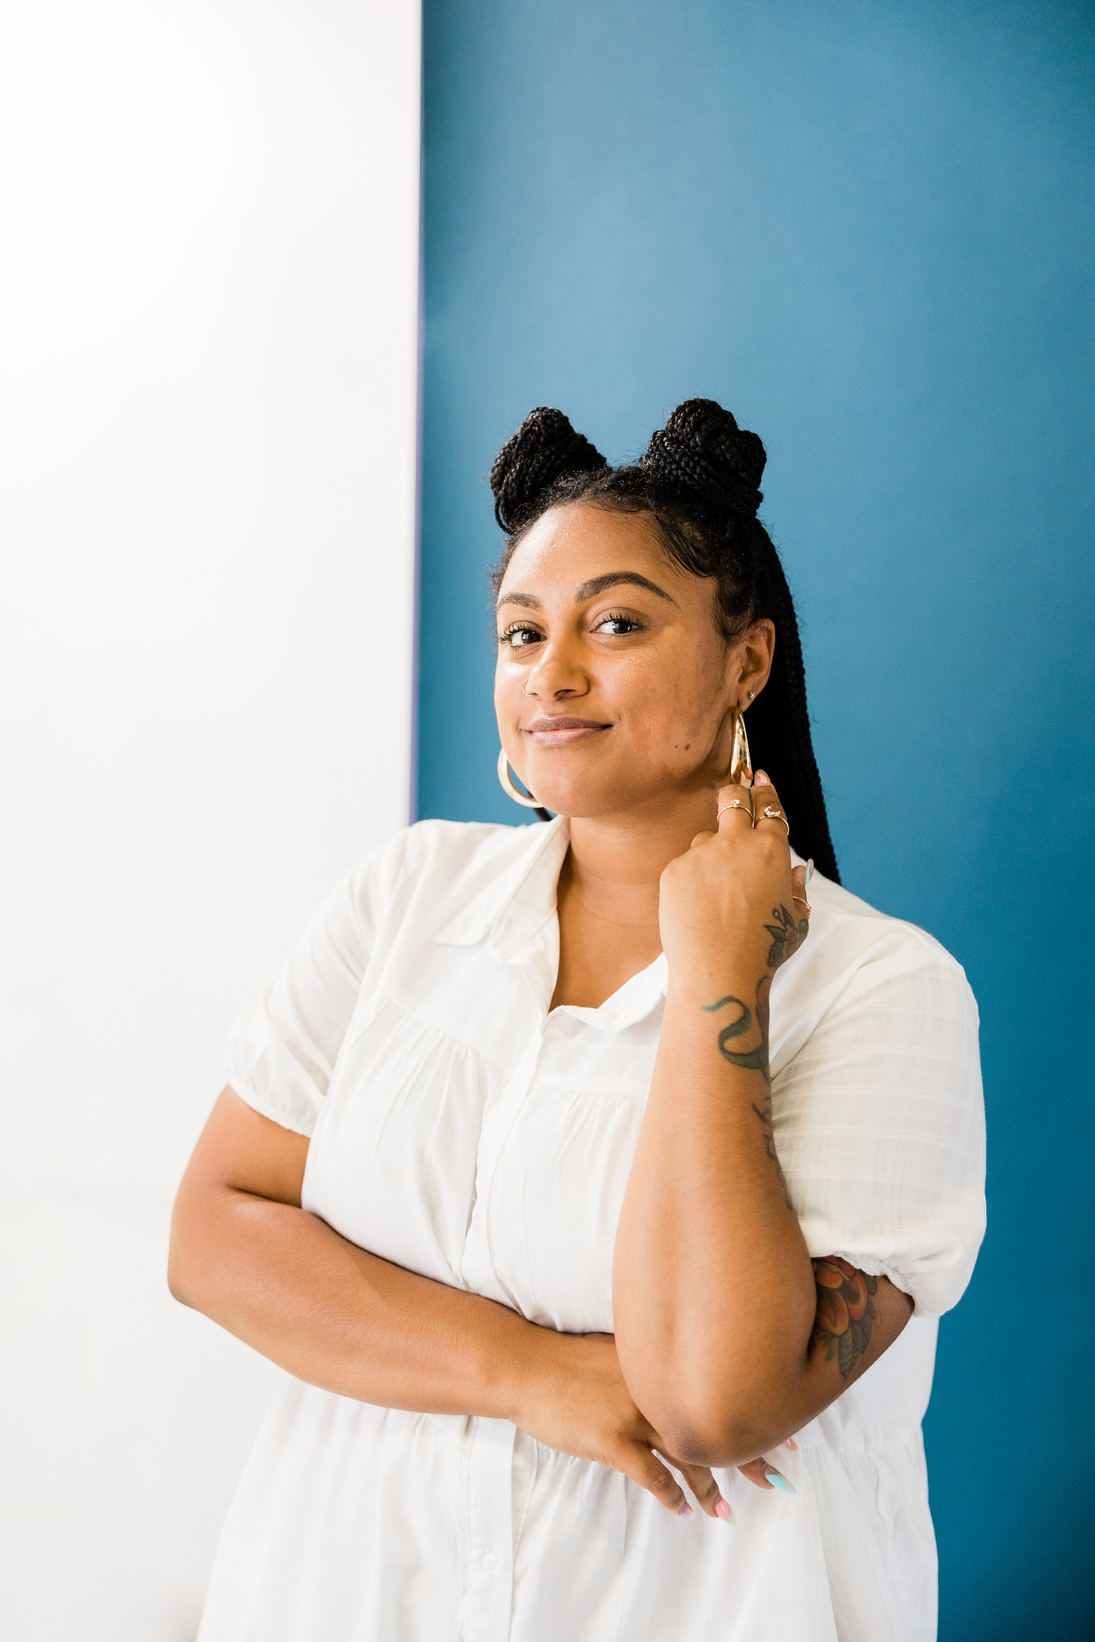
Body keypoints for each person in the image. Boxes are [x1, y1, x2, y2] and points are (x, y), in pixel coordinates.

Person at [170, 399, 985, 1642]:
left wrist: (720, 973)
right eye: (520, 631)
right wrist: (533, 1375)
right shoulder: (405, 898)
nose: (551, 671)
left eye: (615, 623)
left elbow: (715, 1400)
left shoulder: (881, 989)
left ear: (747, 660)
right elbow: (215, 1236)